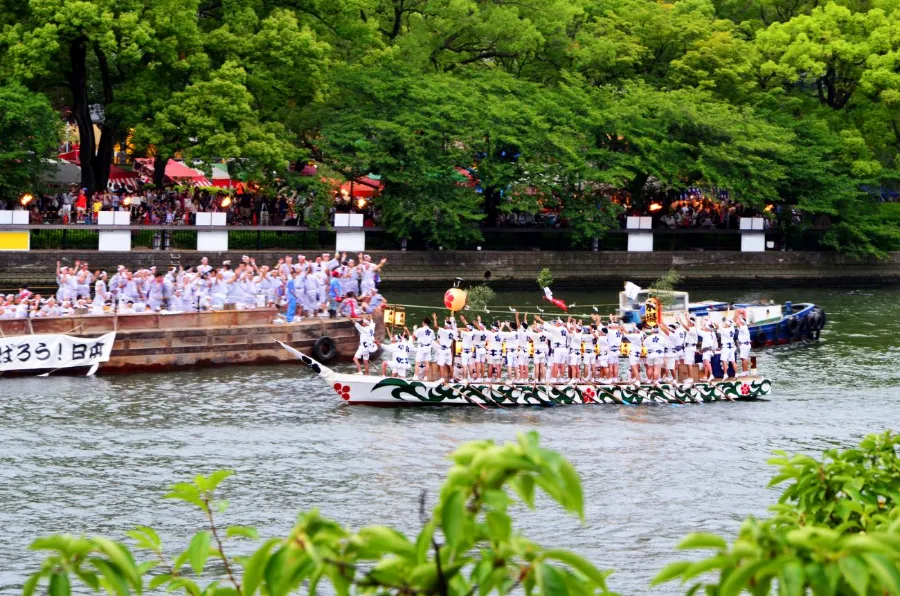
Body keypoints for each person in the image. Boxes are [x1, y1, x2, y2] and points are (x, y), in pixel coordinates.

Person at [433, 313, 455, 382]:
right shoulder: (453, 331)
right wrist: (448, 320)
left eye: (445, 324)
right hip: (448, 350)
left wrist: (435, 318)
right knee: (450, 365)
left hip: (443, 350)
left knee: (441, 364)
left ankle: (442, 378)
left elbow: (435, 326)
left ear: (446, 325)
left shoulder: (443, 331)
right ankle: (452, 378)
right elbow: (450, 326)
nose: (444, 326)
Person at [735, 310, 752, 377]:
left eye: (740, 322)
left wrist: (737, 314)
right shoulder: (744, 327)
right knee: (743, 358)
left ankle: (744, 372)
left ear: (742, 323)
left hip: (744, 345)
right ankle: (746, 371)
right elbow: (739, 322)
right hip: (746, 345)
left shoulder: (743, 328)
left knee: (744, 359)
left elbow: (737, 322)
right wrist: (740, 316)